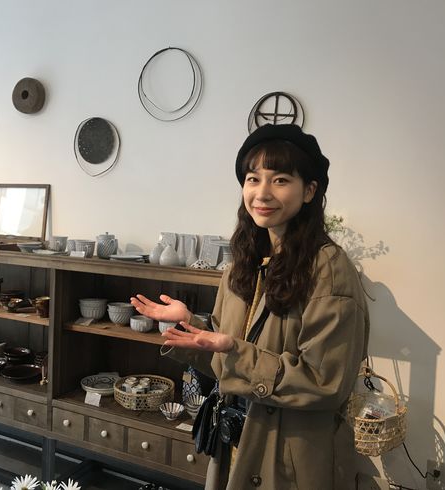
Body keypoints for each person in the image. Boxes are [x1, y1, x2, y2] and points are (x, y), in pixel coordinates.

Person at [130, 123, 370, 489]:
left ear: (309, 191)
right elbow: (224, 359)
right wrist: (192, 325)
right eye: (253, 179)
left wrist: (234, 349)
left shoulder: (329, 269)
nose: (262, 193)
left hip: (289, 455)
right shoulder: (243, 264)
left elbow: (326, 382)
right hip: (236, 442)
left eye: (280, 180)